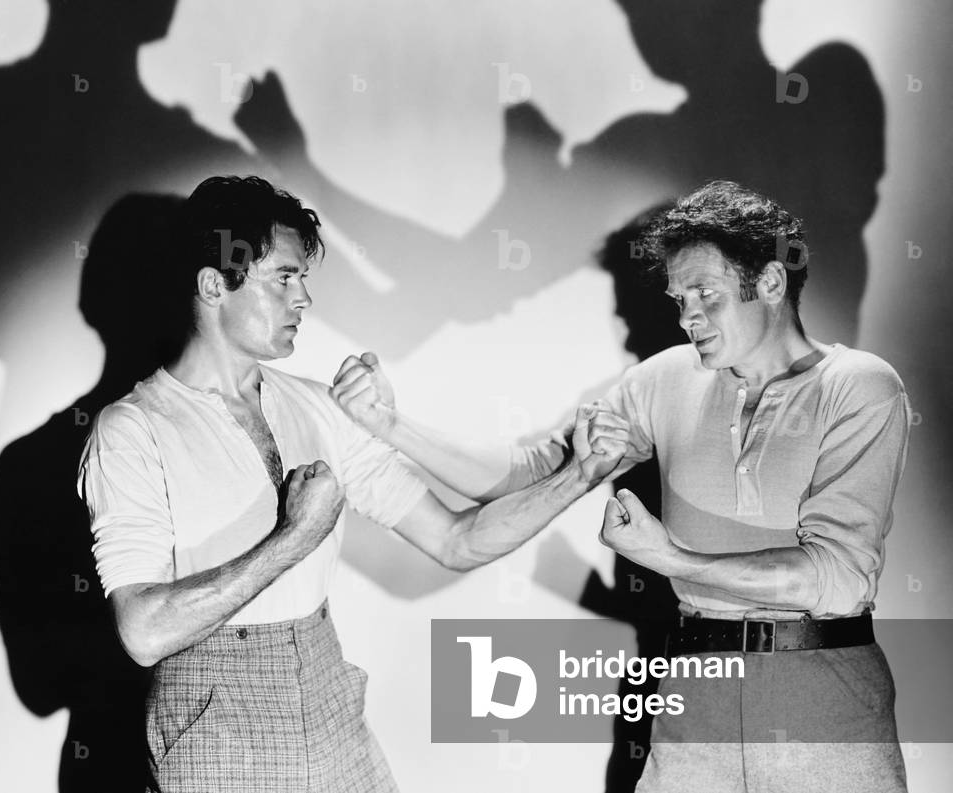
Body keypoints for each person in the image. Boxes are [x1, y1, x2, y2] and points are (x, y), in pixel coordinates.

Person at [332, 181, 911, 792]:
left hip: (824, 693)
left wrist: (671, 559)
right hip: (694, 693)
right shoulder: (663, 380)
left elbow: (838, 576)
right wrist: (389, 426)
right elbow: (530, 472)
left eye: (704, 295)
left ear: (770, 282)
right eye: (678, 299)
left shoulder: (861, 386)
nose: (687, 317)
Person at [76, 175, 623, 793]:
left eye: (303, 280)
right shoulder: (133, 429)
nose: (303, 298)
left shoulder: (317, 407)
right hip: (214, 722)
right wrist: (295, 536)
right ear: (212, 285)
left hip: (328, 693)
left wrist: (578, 478)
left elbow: (456, 541)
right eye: (284, 277)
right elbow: (143, 633)